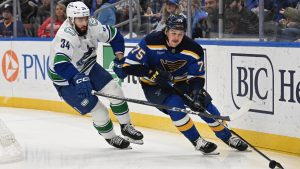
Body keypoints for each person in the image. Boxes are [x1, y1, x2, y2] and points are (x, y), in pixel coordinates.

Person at [114, 14, 248, 154]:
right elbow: (128, 66)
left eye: (180, 34)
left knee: (204, 104)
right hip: (154, 86)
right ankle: (197, 141)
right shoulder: (151, 41)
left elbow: (196, 76)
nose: (176, 38)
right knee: (175, 104)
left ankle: (227, 137)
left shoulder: (193, 49)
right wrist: (151, 73)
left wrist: (196, 92)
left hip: (182, 82)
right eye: (173, 33)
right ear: (166, 30)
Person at [48, 1, 143, 149]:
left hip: (89, 67)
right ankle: (111, 137)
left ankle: (126, 126)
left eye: (86, 18)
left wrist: (119, 59)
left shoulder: (92, 24)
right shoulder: (65, 35)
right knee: (99, 110)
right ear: (71, 20)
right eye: (80, 20)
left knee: (114, 90)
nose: (84, 22)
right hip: (65, 79)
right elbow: (60, 63)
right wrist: (76, 77)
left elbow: (115, 36)